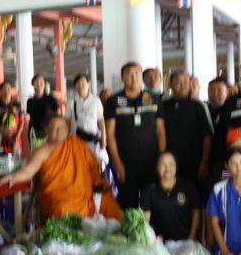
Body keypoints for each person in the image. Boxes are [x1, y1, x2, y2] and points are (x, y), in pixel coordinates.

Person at [0, 116, 121, 221]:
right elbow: (28, 171)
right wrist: (14, 177)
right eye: (56, 128)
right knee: (63, 210)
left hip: (84, 193)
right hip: (59, 197)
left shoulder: (76, 143)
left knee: (108, 200)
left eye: (63, 127)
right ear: (47, 130)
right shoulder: (42, 152)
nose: (60, 130)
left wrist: (99, 183)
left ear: (68, 130)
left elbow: (92, 168)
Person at [104, 62, 159, 208]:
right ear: (122, 78)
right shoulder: (115, 101)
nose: (134, 77)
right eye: (129, 74)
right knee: (128, 205)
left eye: (137, 74)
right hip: (126, 163)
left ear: (142, 77)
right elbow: (110, 134)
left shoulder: (151, 99)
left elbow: (160, 130)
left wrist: (161, 157)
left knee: (151, 204)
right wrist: (117, 163)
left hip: (151, 162)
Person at [156, 69, 213, 186]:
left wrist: (205, 161)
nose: (182, 85)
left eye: (185, 82)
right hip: (170, 161)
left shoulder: (199, 106)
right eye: (177, 82)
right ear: (170, 84)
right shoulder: (163, 105)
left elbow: (208, 135)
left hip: (195, 162)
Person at [141, 152, 200, 241]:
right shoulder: (149, 190)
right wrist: (149, 240)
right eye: (163, 164)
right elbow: (146, 219)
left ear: (176, 166)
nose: (167, 168)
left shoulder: (188, 187)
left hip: (185, 241)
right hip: (159, 242)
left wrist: (192, 236)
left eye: (171, 164)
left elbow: (196, 212)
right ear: (157, 167)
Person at [67, 74, 105, 159]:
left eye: (83, 83)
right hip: (76, 138)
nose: (80, 86)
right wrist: (67, 138)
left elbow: (101, 120)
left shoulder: (96, 101)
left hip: (93, 139)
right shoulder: (71, 101)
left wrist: (103, 137)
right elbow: (67, 121)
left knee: (93, 161)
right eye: (78, 84)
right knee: (78, 161)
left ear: (88, 84)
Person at [0, 81, 25, 154]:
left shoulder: (18, 105)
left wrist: (17, 136)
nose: (7, 91)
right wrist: (4, 132)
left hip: (15, 138)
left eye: (9, 89)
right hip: (1, 139)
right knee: (0, 158)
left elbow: (22, 122)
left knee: (16, 158)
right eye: (4, 89)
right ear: (0, 91)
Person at [26, 74, 60, 145]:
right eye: (36, 82)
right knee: (36, 151)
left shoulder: (51, 99)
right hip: (34, 134)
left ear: (44, 84)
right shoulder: (30, 101)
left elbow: (58, 116)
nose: (39, 84)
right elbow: (31, 119)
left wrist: (53, 129)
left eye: (41, 82)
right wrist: (29, 134)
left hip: (49, 134)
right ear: (33, 85)